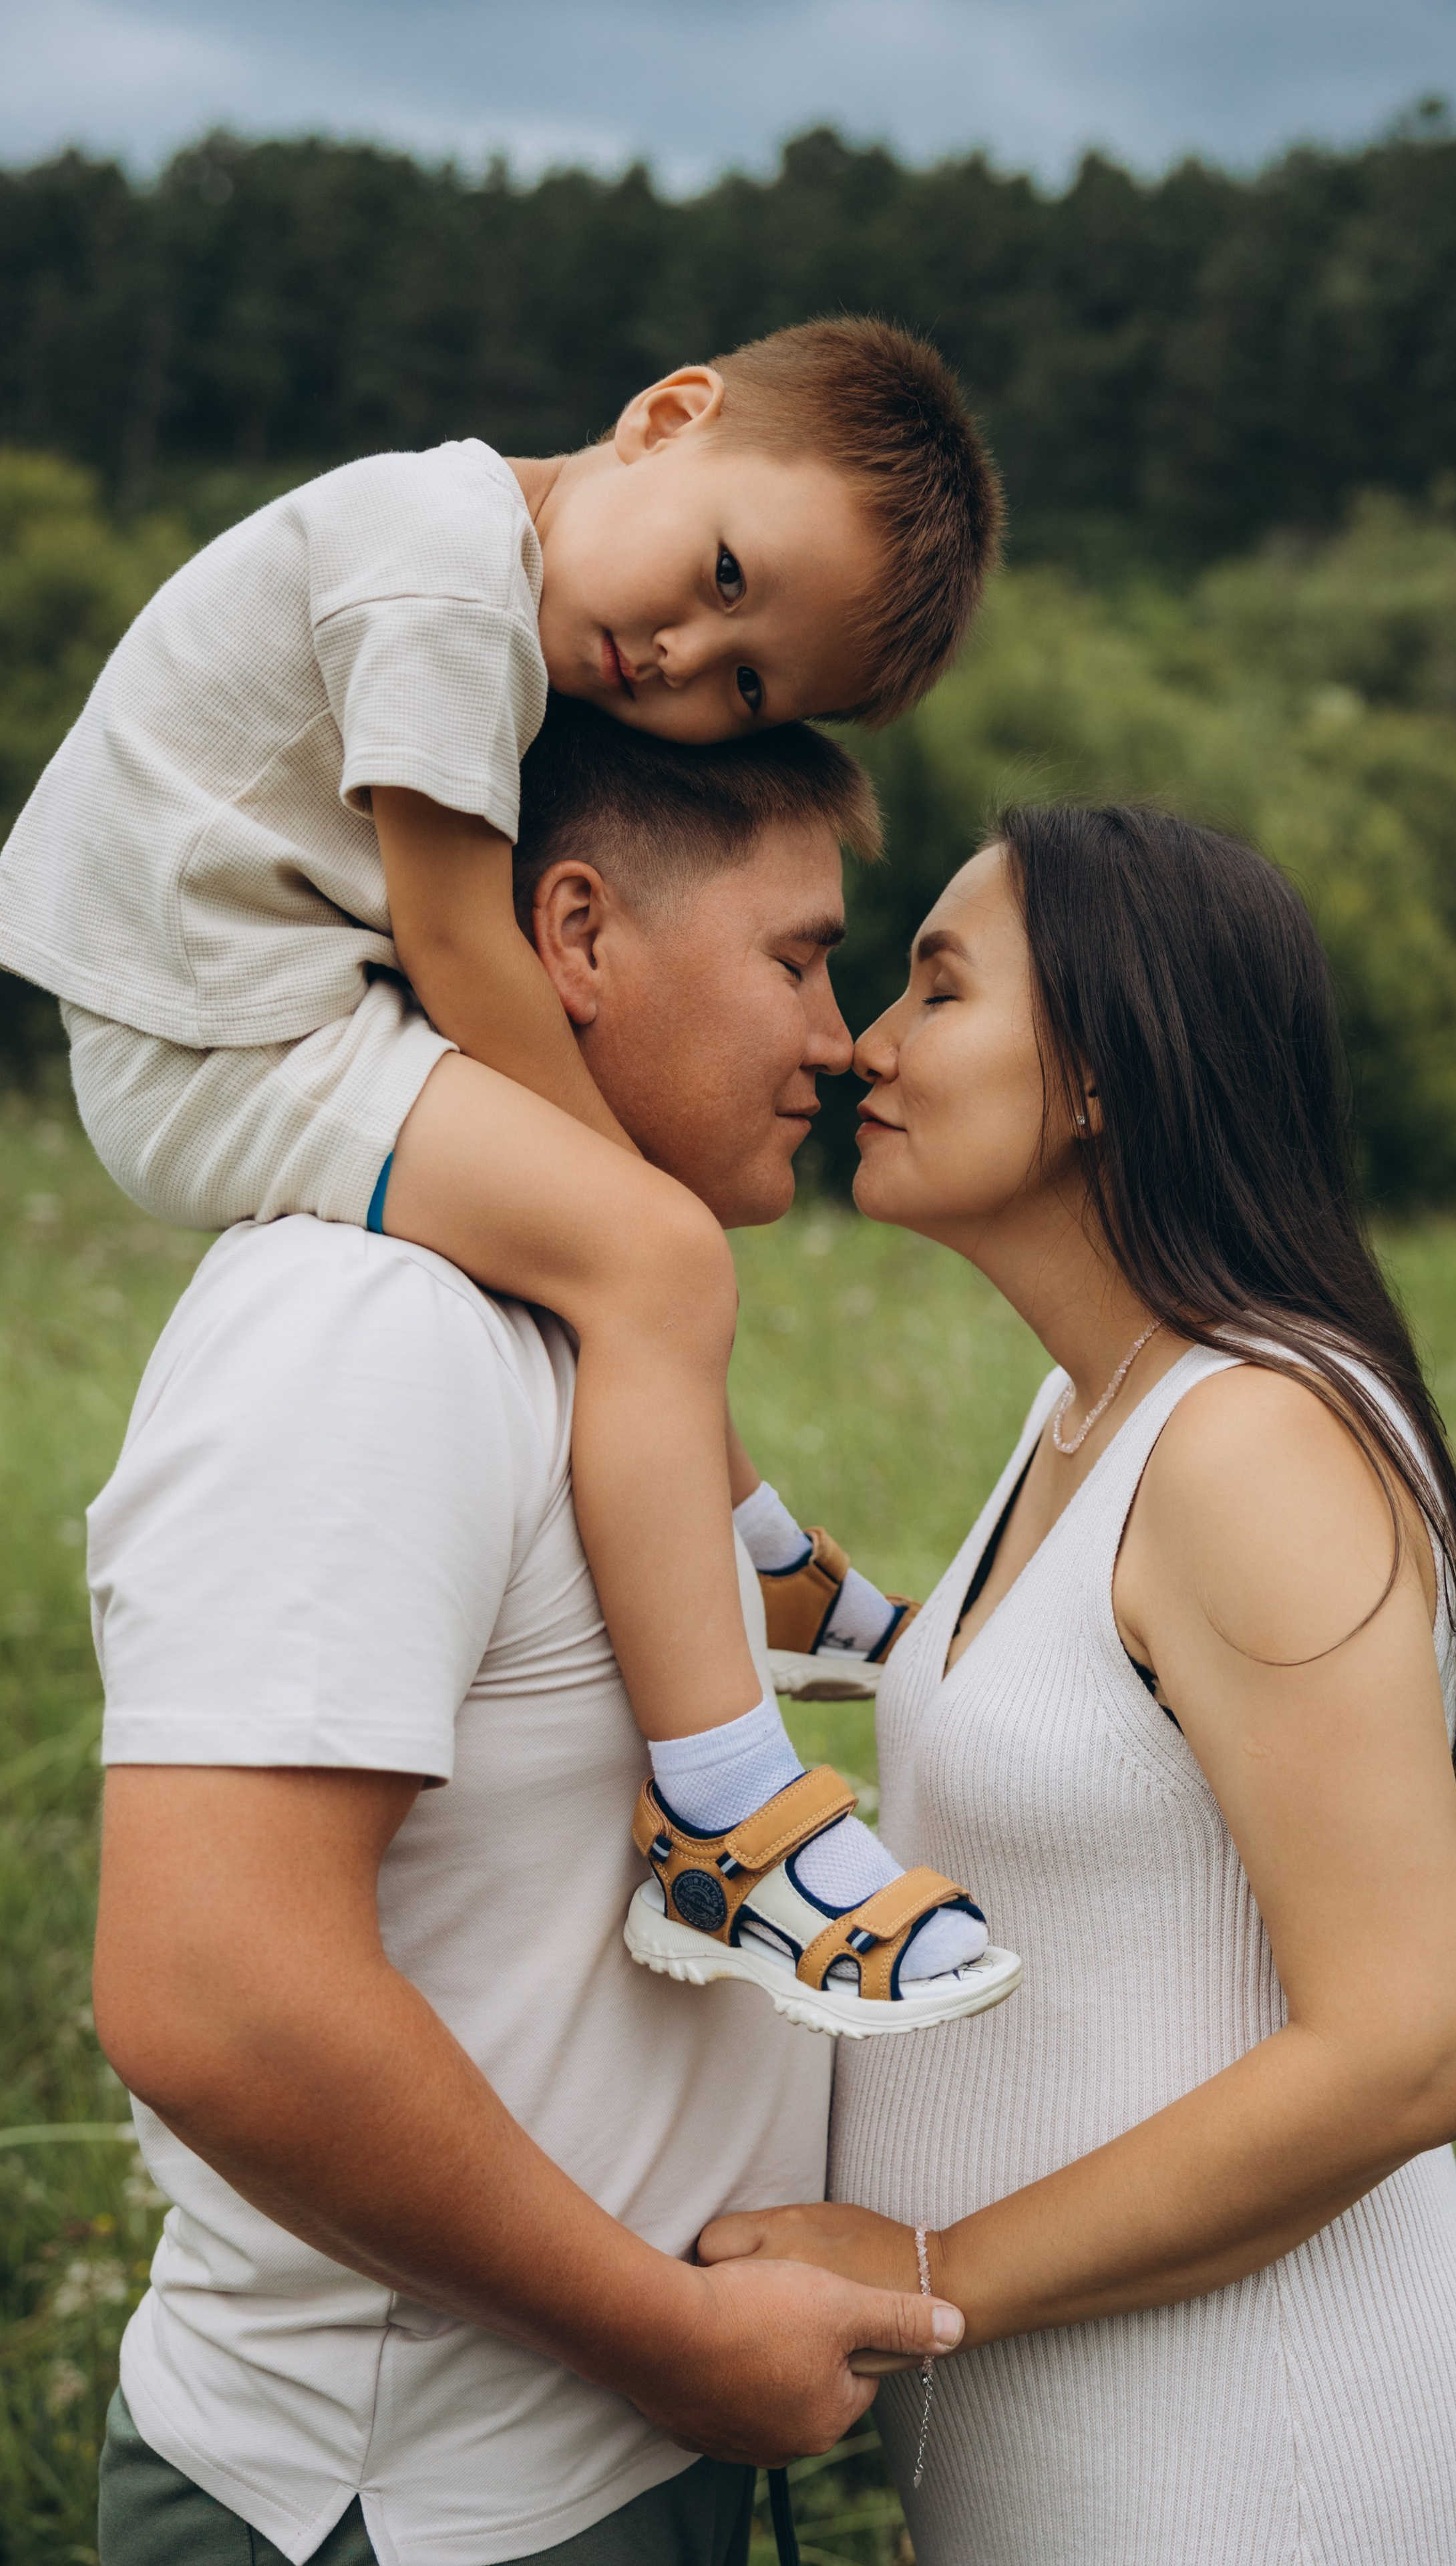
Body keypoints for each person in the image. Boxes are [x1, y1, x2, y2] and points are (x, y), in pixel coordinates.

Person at [2, 320, 1007, 2029]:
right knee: (651, 1257)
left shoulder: (488, 581)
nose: (681, 656)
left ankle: (755, 1550)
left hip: (277, 997)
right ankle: (723, 1809)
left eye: (746, 687)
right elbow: (468, 943)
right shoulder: (442, 573)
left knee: (634, 1262)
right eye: (721, 575)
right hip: (219, 1028)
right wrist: (634, 1193)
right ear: (665, 415)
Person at [87, 705, 965, 2566]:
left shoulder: (575, 1331)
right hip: (406, 2509)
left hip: (593, 2468)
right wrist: (676, 2344)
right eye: (796, 959)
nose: (837, 1034)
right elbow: (212, 1994)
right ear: (576, 935)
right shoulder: (373, 1328)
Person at [699, 805, 1456, 2563]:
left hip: (1281, 2473)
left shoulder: (1248, 1439)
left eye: (938, 989)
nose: (866, 1043)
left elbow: (1408, 2049)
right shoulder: (1083, 1410)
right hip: (1102, 2469)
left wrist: (933, 2266)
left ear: (1101, 1073)